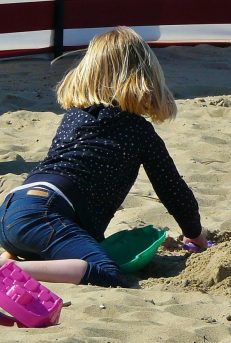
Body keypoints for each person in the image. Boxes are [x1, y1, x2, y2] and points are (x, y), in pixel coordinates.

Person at [0, 27, 208, 287]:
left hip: (13, 209)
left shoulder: (74, 116)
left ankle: (10, 258)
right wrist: (195, 234)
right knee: (105, 271)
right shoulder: (138, 130)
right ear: (146, 77)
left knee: (46, 246)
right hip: (45, 214)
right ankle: (12, 268)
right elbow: (172, 189)